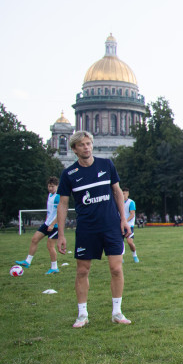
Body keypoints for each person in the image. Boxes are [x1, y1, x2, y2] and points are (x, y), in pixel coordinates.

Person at [56, 131, 131, 328]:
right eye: (81, 145)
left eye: (89, 143)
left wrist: (123, 219)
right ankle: (82, 314)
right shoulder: (69, 174)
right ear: (74, 149)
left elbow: (117, 191)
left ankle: (117, 312)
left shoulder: (106, 165)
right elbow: (63, 204)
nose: (86, 147)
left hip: (111, 226)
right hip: (87, 228)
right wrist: (61, 233)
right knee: (82, 271)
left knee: (116, 268)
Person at [15, 176, 61, 274]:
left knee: (50, 246)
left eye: (52, 186)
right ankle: (27, 261)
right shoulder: (50, 195)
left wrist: (52, 224)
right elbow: (50, 211)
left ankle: (54, 268)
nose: (50, 188)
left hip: (55, 226)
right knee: (34, 239)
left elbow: (60, 213)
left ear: (57, 186)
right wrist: (47, 220)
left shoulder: (58, 197)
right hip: (47, 223)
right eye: (49, 186)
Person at [122, 187, 140, 263]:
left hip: (129, 225)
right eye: (122, 193)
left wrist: (125, 221)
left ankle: (134, 255)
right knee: (120, 242)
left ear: (128, 194)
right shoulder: (119, 202)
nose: (123, 195)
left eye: (124, 193)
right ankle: (120, 258)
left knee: (130, 242)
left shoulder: (131, 202)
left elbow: (132, 214)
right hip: (121, 225)